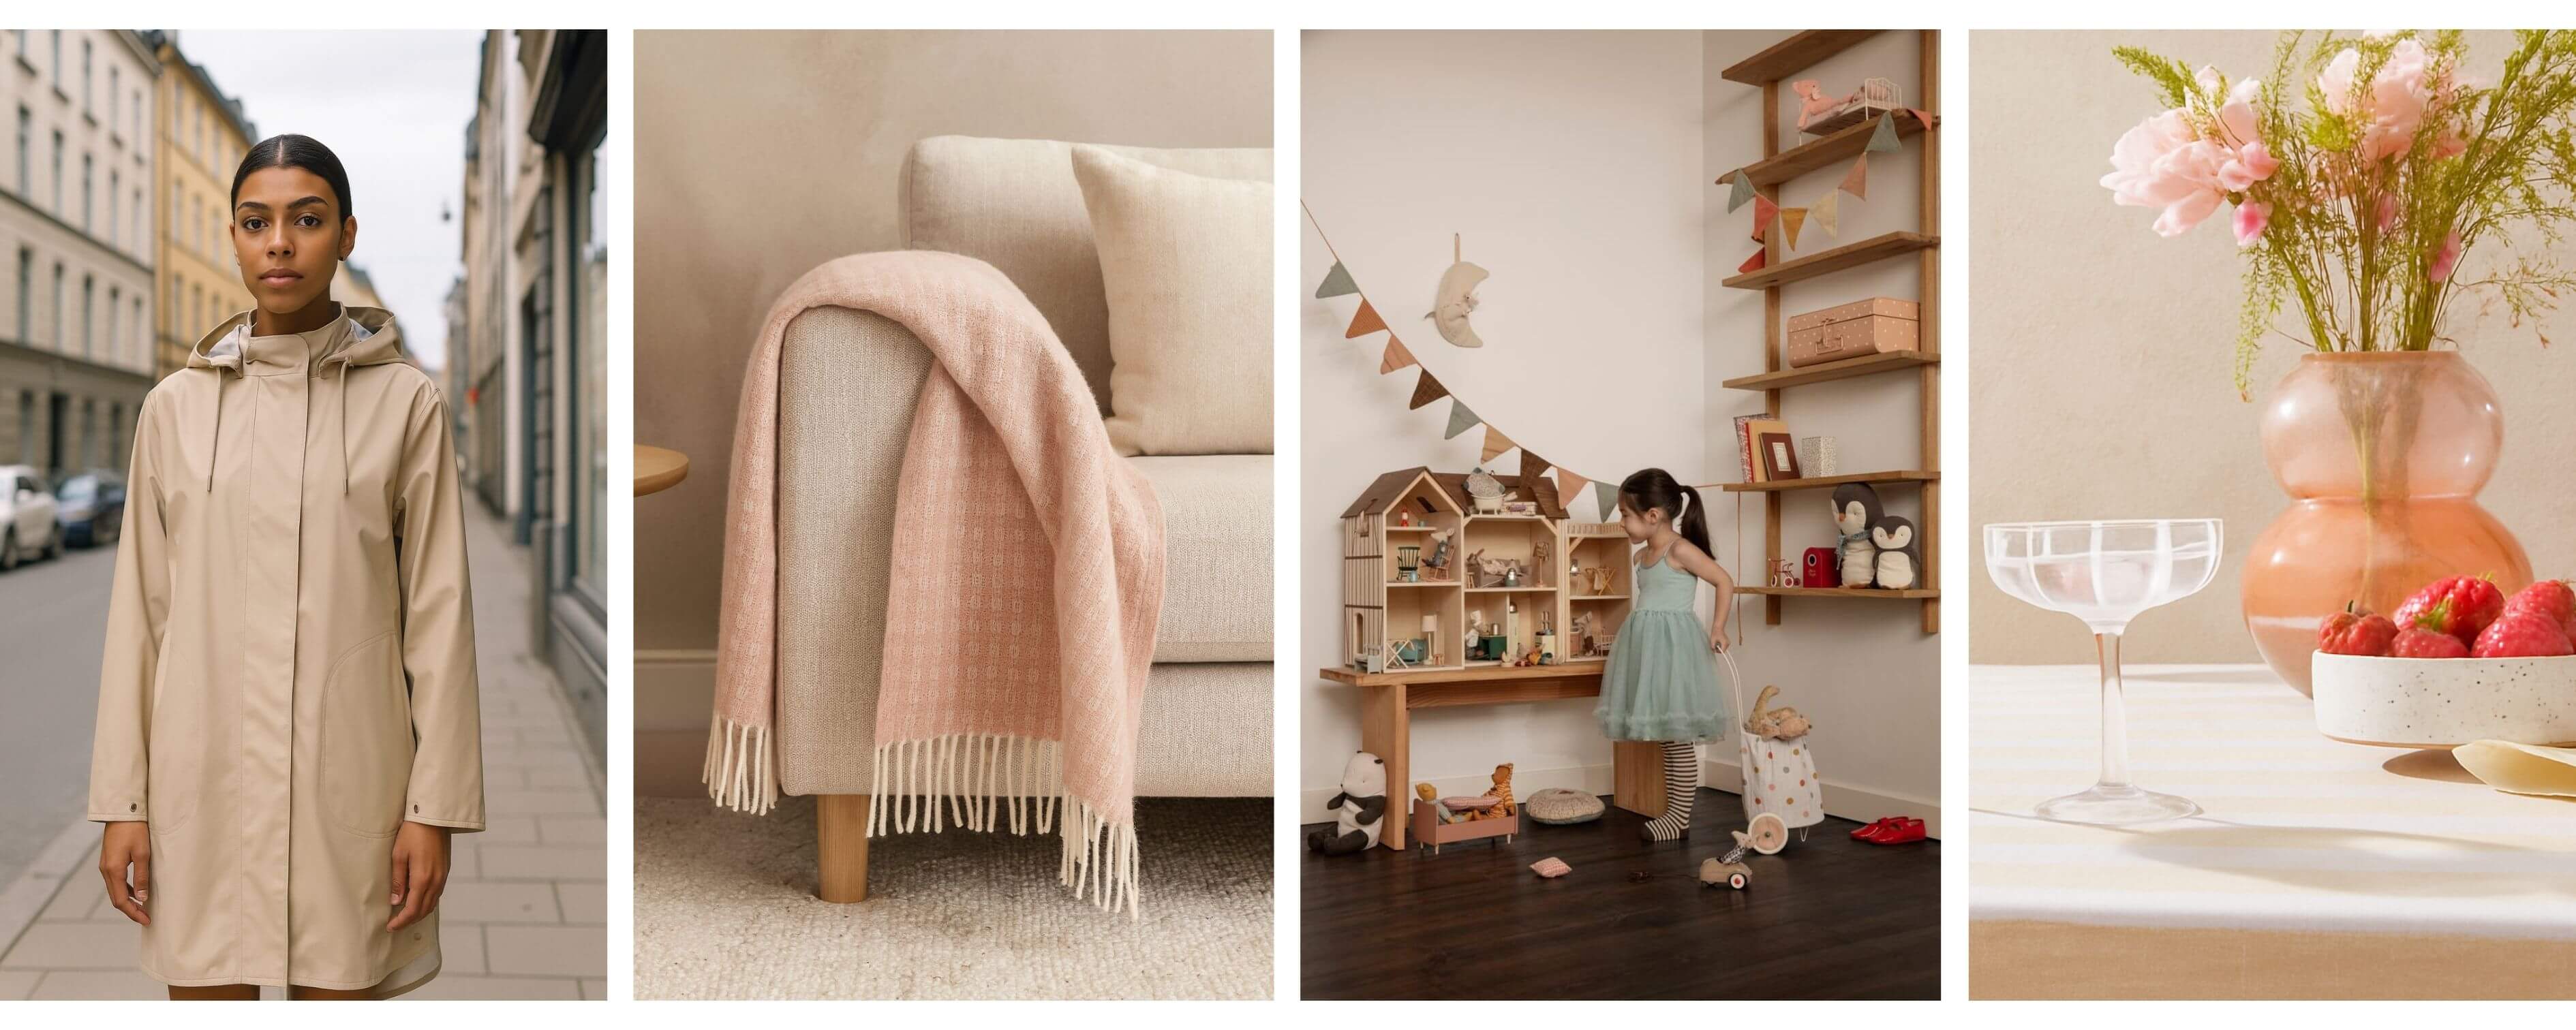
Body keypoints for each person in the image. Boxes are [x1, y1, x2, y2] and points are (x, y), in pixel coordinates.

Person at [88, 134, 482, 1000]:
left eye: (306, 220)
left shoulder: (405, 403)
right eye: (255, 222)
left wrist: (435, 810)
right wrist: (123, 802)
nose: (279, 244)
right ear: (233, 238)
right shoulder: (173, 410)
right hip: (202, 783)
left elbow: (440, 616)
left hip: (352, 783)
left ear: (345, 236)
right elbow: (140, 617)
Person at [1595, 467, 1736, 843]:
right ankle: (1675, 816)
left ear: (1653, 516)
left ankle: (1678, 818)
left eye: (1626, 514)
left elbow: (1724, 580)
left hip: (1674, 653)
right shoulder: (1643, 555)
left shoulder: (1680, 550)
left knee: (1678, 739)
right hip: (1646, 652)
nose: (1621, 522)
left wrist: (1718, 627)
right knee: (1667, 739)